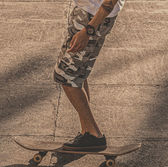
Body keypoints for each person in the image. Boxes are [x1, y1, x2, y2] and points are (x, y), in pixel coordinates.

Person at [54, 0, 125, 150]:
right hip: (88, 13)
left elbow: (109, 3)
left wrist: (88, 30)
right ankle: (87, 131)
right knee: (79, 74)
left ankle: (94, 135)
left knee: (66, 76)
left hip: (92, 18)